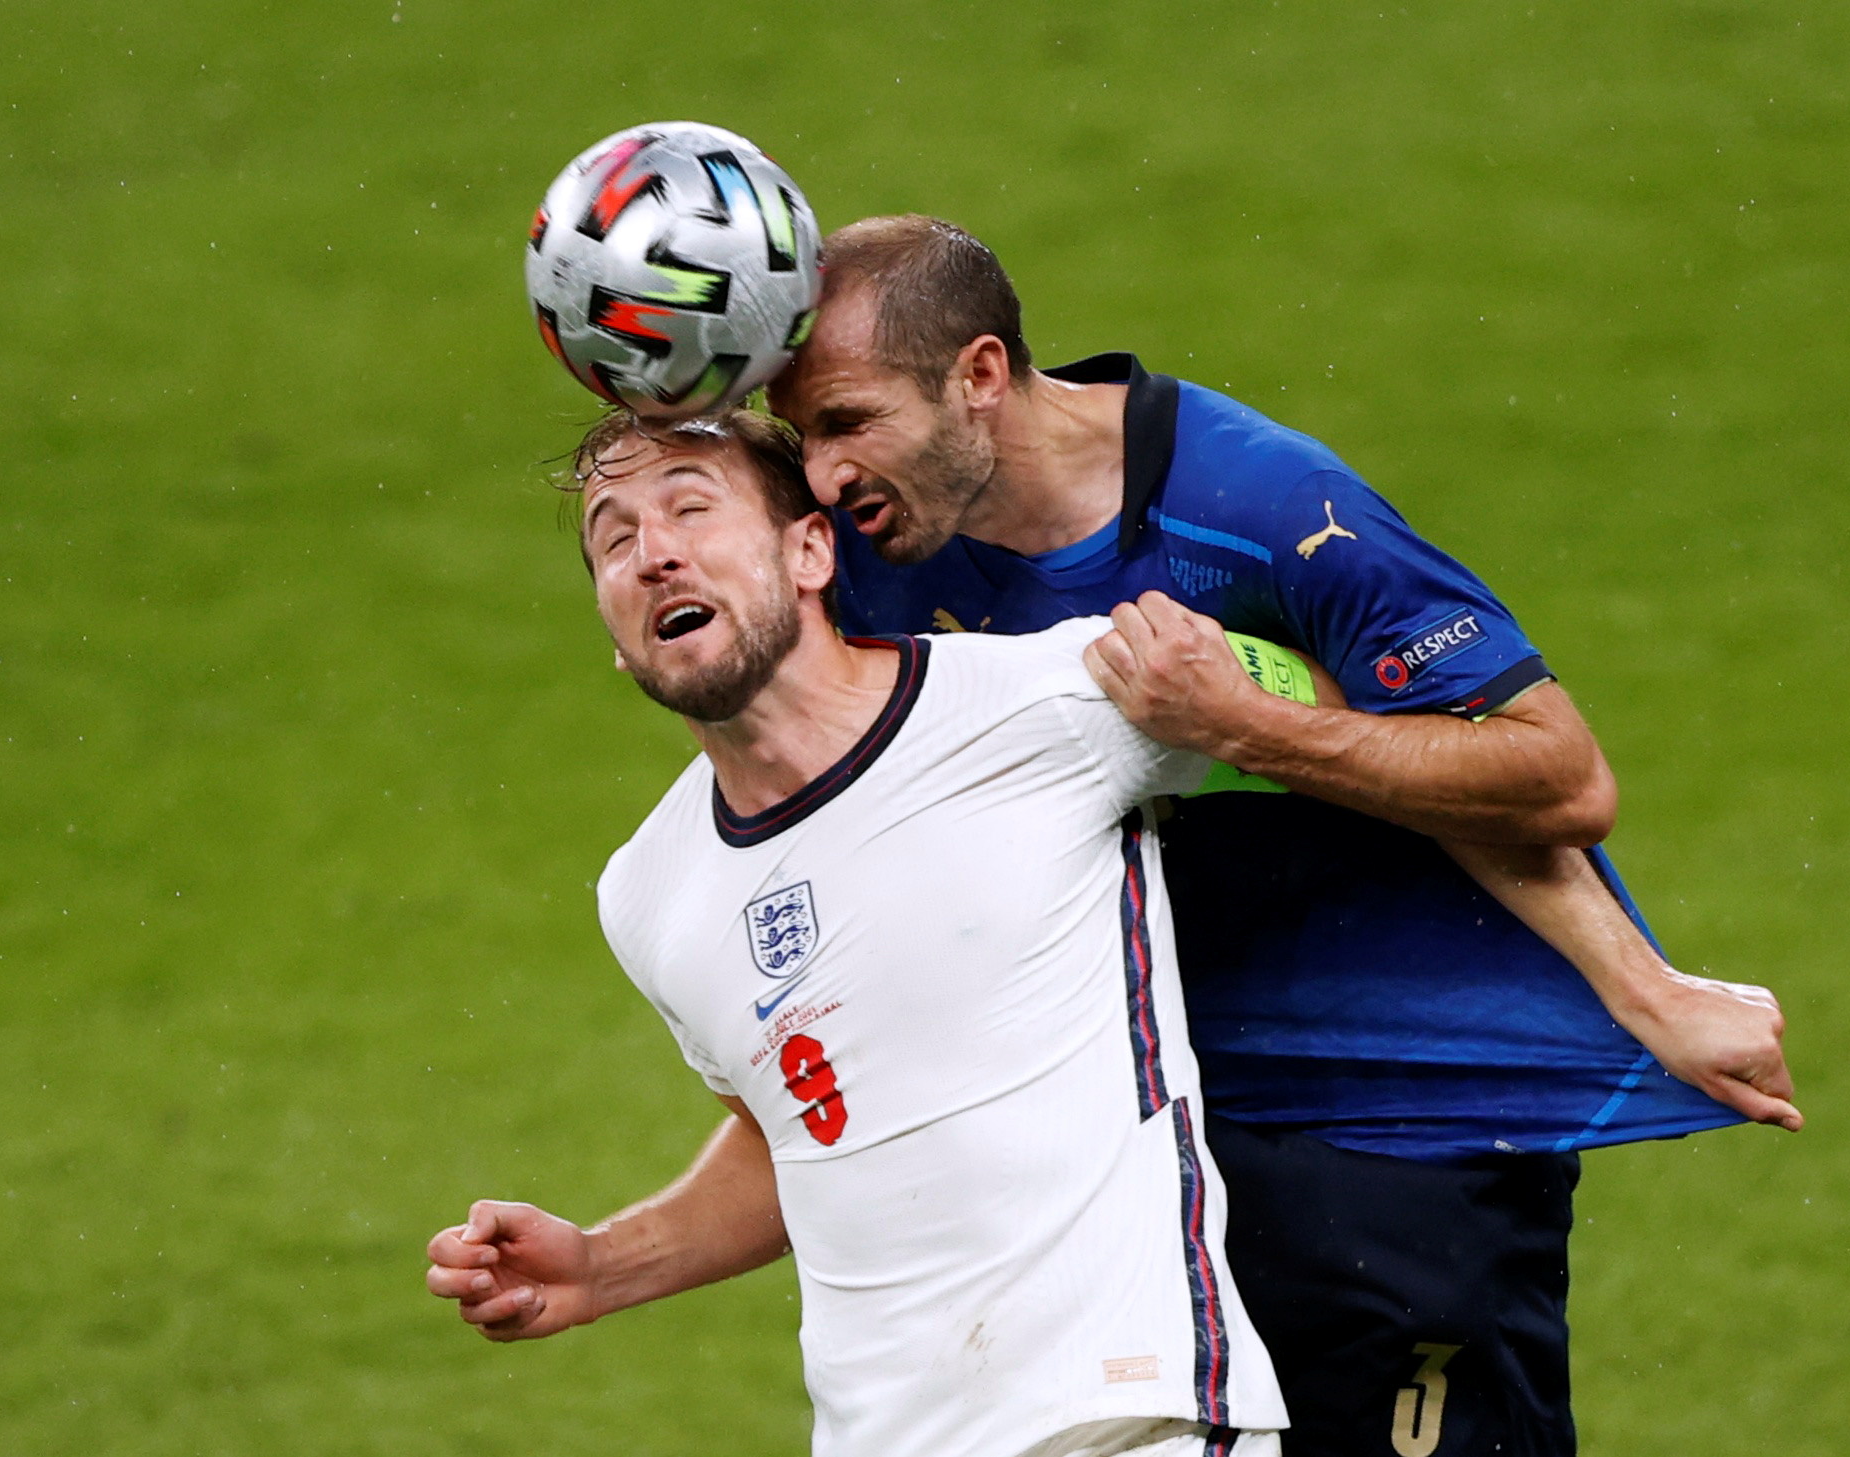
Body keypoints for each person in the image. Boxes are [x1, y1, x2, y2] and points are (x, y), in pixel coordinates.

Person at [762, 216, 1802, 1456]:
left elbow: (1551, 775)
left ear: (979, 375)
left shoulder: (1257, 504)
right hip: (1157, 1138)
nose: (820, 479)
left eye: (846, 424)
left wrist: (1249, 728)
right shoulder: (875, 558)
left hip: (1407, 1125)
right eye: (799, 437)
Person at [425, 408, 1289, 1457]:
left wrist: (1261, 702)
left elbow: (1331, 708)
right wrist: (606, 1264)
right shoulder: (650, 894)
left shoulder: (1049, 702)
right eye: (614, 538)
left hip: (1125, 1414)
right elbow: (805, 1126)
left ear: (809, 550)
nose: (654, 554)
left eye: (691, 511)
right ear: (613, 637)